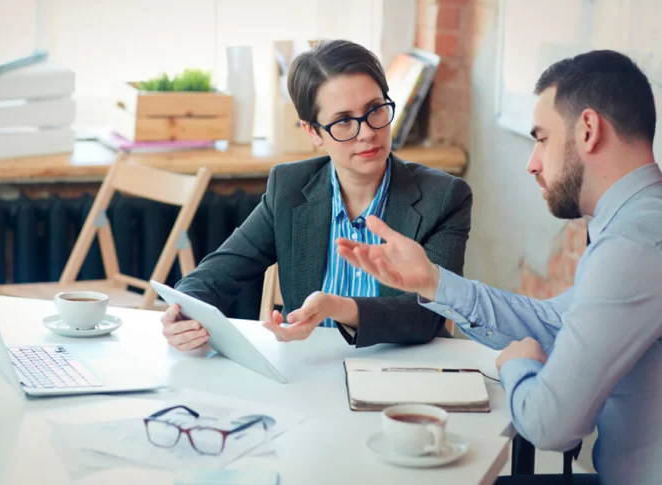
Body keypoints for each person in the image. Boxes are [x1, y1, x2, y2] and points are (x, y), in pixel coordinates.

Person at [337, 49, 661, 485]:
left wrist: (517, 364)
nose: (533, 162)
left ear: (588, 129)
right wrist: (432, 281)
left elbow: (549, 424)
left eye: (542, 138)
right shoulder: (639, 223)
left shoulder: (634, 245)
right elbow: (556, 319)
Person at [161, 39, 473, 351]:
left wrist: (338, 308)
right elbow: (218, 273)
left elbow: (428, 315)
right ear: (313, 132)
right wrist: (182, 313)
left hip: (406, 374)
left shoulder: (444, 197)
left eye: (375, 110)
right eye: (343, 121)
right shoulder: (290, 187)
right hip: (310, 370)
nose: (367, 132)